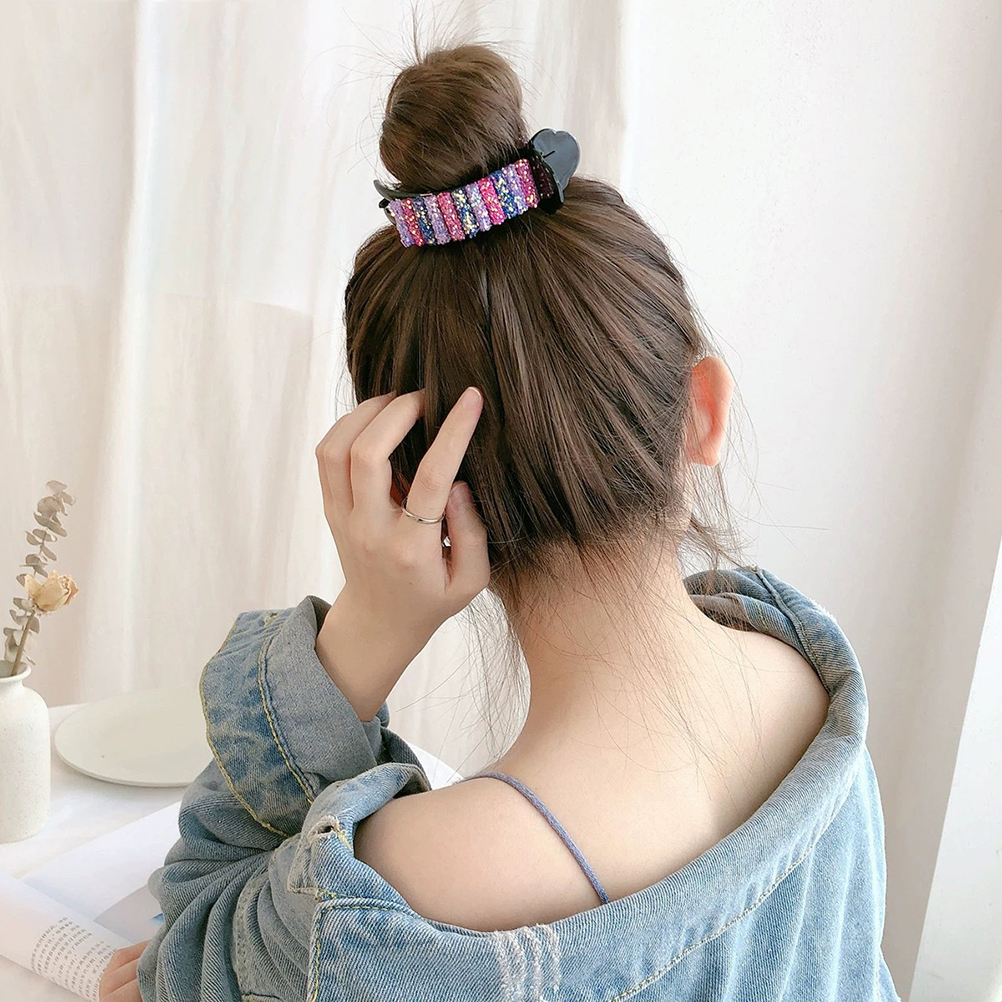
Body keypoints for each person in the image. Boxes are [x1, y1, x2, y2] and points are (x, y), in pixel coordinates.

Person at [99, 38, 899, 1002]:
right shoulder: (812, 677)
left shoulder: (425, 884)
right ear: (704, 410)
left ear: (411, 487)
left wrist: (367, 627)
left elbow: (179, 952)